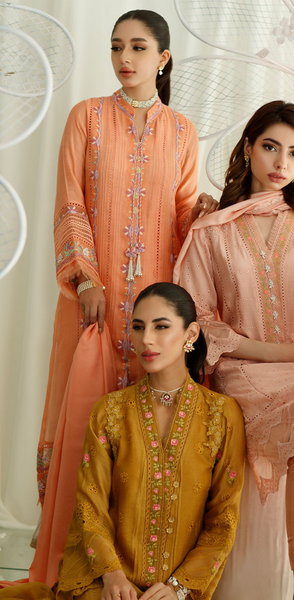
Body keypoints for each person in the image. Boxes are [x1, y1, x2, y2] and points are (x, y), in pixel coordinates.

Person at [174, 101, 294, 600]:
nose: (282, 163)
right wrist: (275, 353)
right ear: (247, 148)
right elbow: (201, 318)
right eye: (270, 147)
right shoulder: (212, 229)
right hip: (242, 371)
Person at [37, 8, 217, 509]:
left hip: (153, 305)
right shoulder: (87, 116)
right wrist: (85, 278)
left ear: (163, 58)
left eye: (138, 47)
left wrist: (202, 213)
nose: (124, 57)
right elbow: (70, 201)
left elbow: (180, 219)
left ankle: (138, 533)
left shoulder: (182, 131)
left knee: (147, 416)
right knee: (84, 407)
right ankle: (75, 534)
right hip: (93, 298)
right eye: (117, 47)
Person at [52, 282, 245, 600]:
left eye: (161, 326)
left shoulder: (222, 415)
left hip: (180, 590)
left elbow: (223, 518)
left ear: (191, 333)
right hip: (105, 583)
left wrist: (178, 588)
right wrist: (112, 576)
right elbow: (90, 506)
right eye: (139, 327)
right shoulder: (110, 411)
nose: (146, 340)